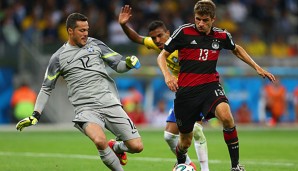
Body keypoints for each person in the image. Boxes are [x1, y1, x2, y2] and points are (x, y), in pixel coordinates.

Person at [156, 1, 276, 171]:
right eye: (198, 19)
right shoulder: (183, 32)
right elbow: (162, 56)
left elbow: (236, 49)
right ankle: (181, 161)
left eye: (205, 20)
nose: (201, 24)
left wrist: (257, 67)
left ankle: (235, 167)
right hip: (186, 93)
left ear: (213, 19)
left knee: (227, 117)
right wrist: (167, 75)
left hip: (210, 86)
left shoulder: (221, 36)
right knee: (185, 142)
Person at [15, 13, 143, 171]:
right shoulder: (58, 58)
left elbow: (119, 66)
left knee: (137, 146)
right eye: (81, 30)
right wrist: (35, 115)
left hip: (109, 102)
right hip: (86, 109)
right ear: (70, 31)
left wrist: (128, 64)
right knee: (99, 141)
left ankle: (116, 147)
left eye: (87, 30)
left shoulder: (96, 44)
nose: (86, 34)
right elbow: (46, 88)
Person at [118, 5, 209, 171]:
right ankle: (188, 164)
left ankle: (205, 169)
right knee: (169, 136)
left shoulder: (183, 44)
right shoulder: (158, 45)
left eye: (160, 35)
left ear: (168, 33)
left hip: (199, 89)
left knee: (195, 129)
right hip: (183, 94)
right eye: (154, 38)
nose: (157, 40)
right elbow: (137, 38)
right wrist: (124, 25)